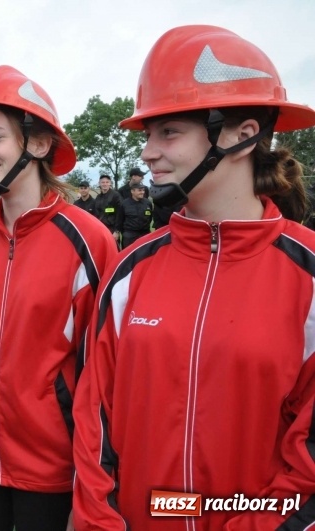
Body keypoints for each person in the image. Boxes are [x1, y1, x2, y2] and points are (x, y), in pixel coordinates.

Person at [72, 25, 315, 531]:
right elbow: (96, 417)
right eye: (147, 135)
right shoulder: (131, 270)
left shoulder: (307, 273)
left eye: (169, 132)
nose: (146, 153)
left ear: (243, 135)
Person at [0, 65, 117, 531]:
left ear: (39, 144)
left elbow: (105, 377)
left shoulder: (89, 240)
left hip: (53, 472)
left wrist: (93, 480)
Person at [115, 182, 153, 249]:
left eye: (143, 190)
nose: (142, 192)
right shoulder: (124, 204)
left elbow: (150, 218)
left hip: (145, 234)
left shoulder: (148, 203)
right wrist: (117, 232)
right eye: (139, 190)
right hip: (129, 236)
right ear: (132, 191)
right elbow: (119, 220)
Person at [93, 174, 122, 247]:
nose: (105, 184)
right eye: (103, 182)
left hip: (112, 229)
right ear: (99, 183)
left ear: (110, 183)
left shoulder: (115, 196)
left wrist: (117, 231)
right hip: (101, 229)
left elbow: (120, 214)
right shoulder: (98, 197)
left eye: (107, 182)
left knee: (114, 250)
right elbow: (96, 214)